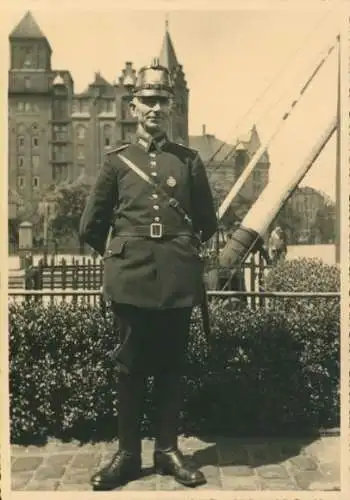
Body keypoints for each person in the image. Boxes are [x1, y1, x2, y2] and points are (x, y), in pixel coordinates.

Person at [79, 58, 217, 490]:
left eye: (162, 100)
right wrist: (123, 257)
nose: (155, 108)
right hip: (132, 278)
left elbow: (207, 222)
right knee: (131, 368)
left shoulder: (189, 161)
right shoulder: (117, 163)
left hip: (176, 279)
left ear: (171, 107)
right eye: (147, 101)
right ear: (133, 107)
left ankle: (168, 451)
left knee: (172, 366)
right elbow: (90, 226)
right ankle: (127, 454)